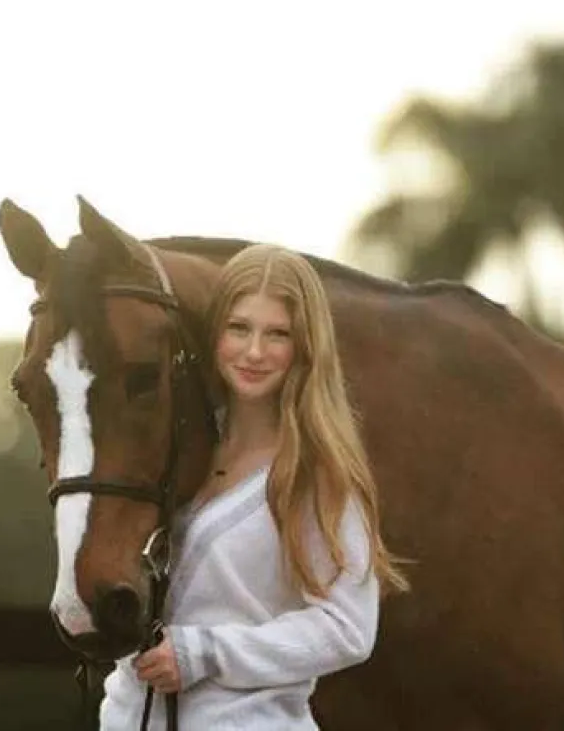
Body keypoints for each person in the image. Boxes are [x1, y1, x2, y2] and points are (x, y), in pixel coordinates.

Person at [98, 243, 410, 730]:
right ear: (215, 332)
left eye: (277, 334)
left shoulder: (316, 472)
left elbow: (348, 628)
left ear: (305, 346)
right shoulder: (177, 449)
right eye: (239, 328)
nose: (255, 352)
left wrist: (206, 653)